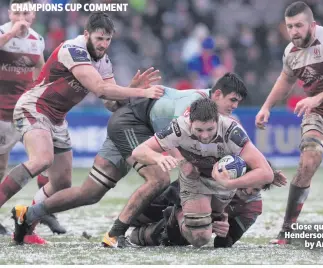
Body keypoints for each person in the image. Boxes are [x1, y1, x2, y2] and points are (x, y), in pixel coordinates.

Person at [12, 72, 252, 247]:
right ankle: (114, 235)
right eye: (232, 100)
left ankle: (28, 214)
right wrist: (183, 161)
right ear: (217, 94)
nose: (234, 106)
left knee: (90, 193)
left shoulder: (204, 109)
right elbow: (177, 144)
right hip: (132, 124)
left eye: (237, 103)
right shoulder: (191, 107)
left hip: (132, 122)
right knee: (158, 178)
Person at [4, 11, 163, 245]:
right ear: (86, 33)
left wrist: (130, 88)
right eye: (99, 38)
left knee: (61, 183)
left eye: (108, 40)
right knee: (42, 159)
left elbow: (110, 103)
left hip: (57, 118)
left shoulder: (104, 62)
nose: (103, 44)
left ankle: (26, 226)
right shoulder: (73, 49)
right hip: (34, 107)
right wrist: (141, 92)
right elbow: (99, 88)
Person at [254, 2, 323, 245]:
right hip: (318, 113)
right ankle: (286, 231)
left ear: (312, 25)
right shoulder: (290, 52)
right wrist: (266, 107)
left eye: (298, 25)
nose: (294, 31)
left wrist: (317, 96)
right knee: (309, 159)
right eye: (289, 27)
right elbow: (285, 81)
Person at [130, 98, 273, 248]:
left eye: (210, 129)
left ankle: (178, 216)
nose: (205, 136)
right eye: (199, 130)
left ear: (218, 121)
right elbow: (138, 151)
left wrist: (230, 183)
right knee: (198, 234)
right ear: (190, 122)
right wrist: (158, 157)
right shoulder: (179, 128)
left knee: (200, 239)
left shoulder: (232, 132)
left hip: (223, 185)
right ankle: (171, 218)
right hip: (194, 180)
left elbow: (266, 173)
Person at [0, 0, 65, 236]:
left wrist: (37, 92)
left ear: (33, 15)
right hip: (1, 111)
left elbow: (40, 67)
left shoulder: (37, 39)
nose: (21, 17)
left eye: (26, 13)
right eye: (17, 12)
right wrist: (9, 35)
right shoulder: (1, 31)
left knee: (46, 158)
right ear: (9, 13)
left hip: (24, 110)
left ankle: (43, 209)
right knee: (0, 166)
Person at [126, 166, 287, 248]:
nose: (249, 190)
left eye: (256, 189)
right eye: (249, 182)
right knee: (140, 212)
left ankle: (145, 234)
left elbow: (225, 243)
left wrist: (224, 233)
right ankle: (121, 227)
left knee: (194, 231)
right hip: (177, 197)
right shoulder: (224, 171)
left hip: (185, 221)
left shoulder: (252, 207)